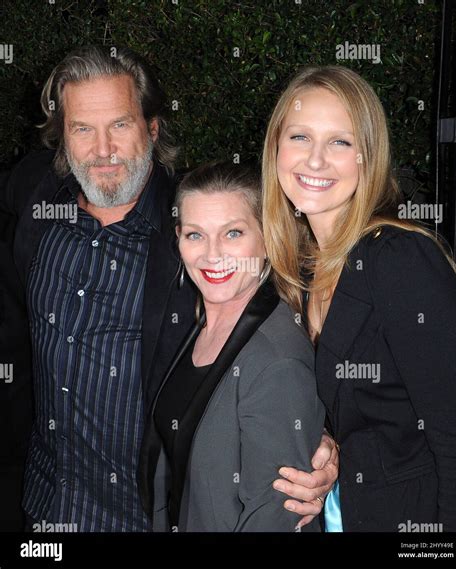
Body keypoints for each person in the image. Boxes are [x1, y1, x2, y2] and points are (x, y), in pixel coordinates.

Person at [0, 46, 337, 531]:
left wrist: (323, 441)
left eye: (120, 125)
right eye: (82, 129)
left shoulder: (193, 232)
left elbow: (290, 328)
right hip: (42, 506)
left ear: (152, 129)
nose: (102, 150)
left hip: (142, 518)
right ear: (62, 140)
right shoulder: (35, 196)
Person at [262, 65, 456, 532]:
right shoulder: (298, 270)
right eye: (300, 137)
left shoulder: (399, 259)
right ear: (276, 147)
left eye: (340, 141)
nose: (315, 161)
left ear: (368, 157)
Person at [138, 161, 325, 531]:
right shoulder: (201, 323)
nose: (212, 254)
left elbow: (274, 518)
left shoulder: (276, 360)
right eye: (195, 235)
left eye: (233, 233)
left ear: (268, 237)